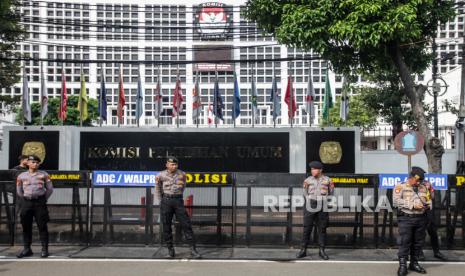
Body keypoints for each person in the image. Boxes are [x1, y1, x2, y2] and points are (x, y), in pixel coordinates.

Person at [155, 156, 201, 259]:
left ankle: (193, 250)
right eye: (172, 164)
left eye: (175, 164)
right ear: (167, 164)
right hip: (166, 201)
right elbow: (157, 189)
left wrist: (177, 195)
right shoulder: (160, 175)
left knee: (186, 224)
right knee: (166, 226)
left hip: (178, 201)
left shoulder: (182, 174)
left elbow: (183, 186)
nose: (174, 166)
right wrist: (161, 201)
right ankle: (171, 250)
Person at [393, 167, 431, 276]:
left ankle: (414, 263)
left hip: (421, 218)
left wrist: (428, 205)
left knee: (418, 243)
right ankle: (403, 265)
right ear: (411, 177)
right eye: (417, 180)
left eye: (420, 181)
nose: (419, 183)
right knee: (405, 242)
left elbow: (429, 200)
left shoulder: (424, 187)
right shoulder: (400, 186)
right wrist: (413, 205)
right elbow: (396, 202)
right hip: (406, 219)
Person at [16, 155, 53, 258]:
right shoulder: (21, 176)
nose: (35, 164)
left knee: (42, 226)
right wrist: (24, 198)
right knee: (26, 226)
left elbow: (50, 189)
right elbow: (19, 190)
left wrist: (43, 199)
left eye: (37, 162)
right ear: (27, 163)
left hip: (40, 203)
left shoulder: (44, 175)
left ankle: (44, 250)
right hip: (26, 203)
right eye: (33, 162)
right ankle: (27, 249)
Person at [296, 161, 334, 260]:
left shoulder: (328, 180)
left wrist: (324, 201)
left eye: (314, 169)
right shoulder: (308, 180)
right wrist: (309, 200)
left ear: (320, 170)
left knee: (322, 228)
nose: (312, 171)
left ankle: (322, 250)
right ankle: (303, 250)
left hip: (323, 205)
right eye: (311, 169)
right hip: (310, 205)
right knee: (307, 227)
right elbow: (304, 192)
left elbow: (331, 192)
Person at [410, 166, 447, 261]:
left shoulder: (427, 184)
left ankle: (436, 252)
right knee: (419, 232)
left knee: (432, 231)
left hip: (427, 210)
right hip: (416, 211)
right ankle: (419, 253)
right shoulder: (409, 184)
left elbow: (432, 196)